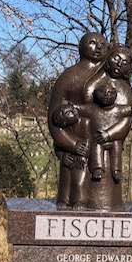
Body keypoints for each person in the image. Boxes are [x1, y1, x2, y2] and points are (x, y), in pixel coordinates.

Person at [48, 32, 108, 210]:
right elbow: (54, 120)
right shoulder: (69, 76)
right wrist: (71, 144)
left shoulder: (112, 76)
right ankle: (68, 200)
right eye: (92, 43)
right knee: (71, 179)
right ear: (80, 47)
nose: (98, 47)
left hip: (103, 145)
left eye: (102, 43)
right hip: (76, 144)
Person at [52, 81, 132, 182]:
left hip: (112, 139)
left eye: (110, 93)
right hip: (97, 140)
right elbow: (80, 108)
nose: (106, 95)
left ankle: (116, 170)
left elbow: (126, 110)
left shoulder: (117, 109)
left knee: (117, 147)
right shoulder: (91, 109)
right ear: (95, 95)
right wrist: (73, 106)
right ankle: (97, 168)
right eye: (102, 92)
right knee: (96, 147)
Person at [83, 46, 132, 183]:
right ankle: (97, 168)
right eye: (116, 59)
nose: (119, 64)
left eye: (124, 63)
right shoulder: (93, 82)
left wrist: (110, 134)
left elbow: (126, 120)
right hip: (93, 135)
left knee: (116, 149)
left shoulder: (125, 89)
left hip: (114, 136)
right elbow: (86, 109)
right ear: (107, 59)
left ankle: (116, 170)